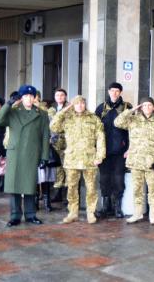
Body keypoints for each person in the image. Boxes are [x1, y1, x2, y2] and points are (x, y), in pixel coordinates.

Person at [0, 85, 50, 227]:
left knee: (30, 186)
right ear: (21, 98)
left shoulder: (41, 114)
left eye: (31, 96)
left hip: (31, 153)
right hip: (15, 153)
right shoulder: (13, 111)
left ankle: (31, 215)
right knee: (14, 187)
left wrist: (44, 156)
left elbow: (45, 136)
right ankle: (15, 216)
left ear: (35, 98)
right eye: (25, 96)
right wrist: (8, 104)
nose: (29, 98)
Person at [114, 97, 154, 224]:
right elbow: (117, 122)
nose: (147, 108)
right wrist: (131, 110)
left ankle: (153, 214)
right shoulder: (133, 119)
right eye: (144, 105)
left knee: (152, 189)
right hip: (136, 160)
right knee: (137, 189)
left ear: (153, 106)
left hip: (152, 162)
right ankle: (138, 213)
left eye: (149, 105)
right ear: (140, 107)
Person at [50, 95, 105, 224]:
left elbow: (101, 138)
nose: (80, 105)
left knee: (91, 188)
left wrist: (100, 156)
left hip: (89, 159)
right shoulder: (67, 118)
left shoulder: (93, 119)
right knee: (72, 187)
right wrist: (63, 111)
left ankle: (90, 213)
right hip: (72, 159)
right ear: (72, 105)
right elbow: (53, 127)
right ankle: (73, 212)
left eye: (82, 103)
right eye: (77, 103)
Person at [95, 82, 132, 218]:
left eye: (117, 91)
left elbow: (132, 131)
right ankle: (106, 206)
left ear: (120, 92)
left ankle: (117, 207)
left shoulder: (127, 108)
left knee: (118, 179)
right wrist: (96, 150)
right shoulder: (101, 108)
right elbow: (95, 130)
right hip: (104, 151)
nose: (114, 93)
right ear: (109, 91)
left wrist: (129, 148)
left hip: (120, 151)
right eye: (112, 91)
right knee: (104, 179)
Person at [48, 88, 68, 205]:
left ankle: (67, 195)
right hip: (54, 143)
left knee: (67, 167)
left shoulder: (69, 108)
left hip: (67, 143)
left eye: (62, 95)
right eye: (57, 95)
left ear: (65, 97)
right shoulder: (51, 110)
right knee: (57, 168)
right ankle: (58, 194)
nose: (60, 97)